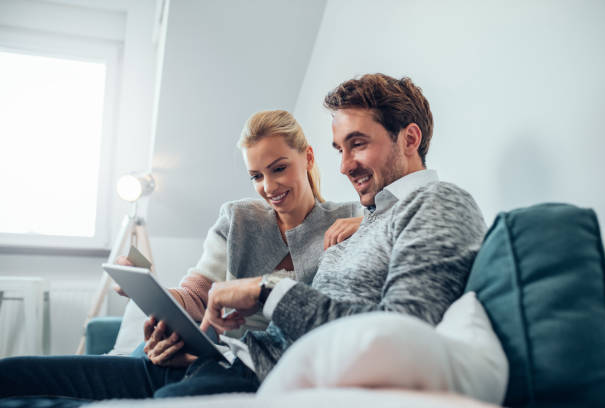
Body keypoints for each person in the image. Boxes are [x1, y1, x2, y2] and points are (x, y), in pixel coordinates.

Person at [119, 73, 488, 394]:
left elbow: (403, 335)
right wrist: (210, 349)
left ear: (410, 139)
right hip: (239, 359)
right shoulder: (373, 216)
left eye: (357, 144)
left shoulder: (436, 202)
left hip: (267, 376)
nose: (344, 166)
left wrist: (266, 291)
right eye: (340, 149)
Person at [0, 110, 362, 405]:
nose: (268, 187)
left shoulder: (351, 219)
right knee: (15, 374)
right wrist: (150, 293)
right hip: (180, 358)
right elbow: (195, 294)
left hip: (237, 371)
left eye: (278, 168)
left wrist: (364, 222)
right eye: (256, 175)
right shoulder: (239, 219)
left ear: (308, 156)